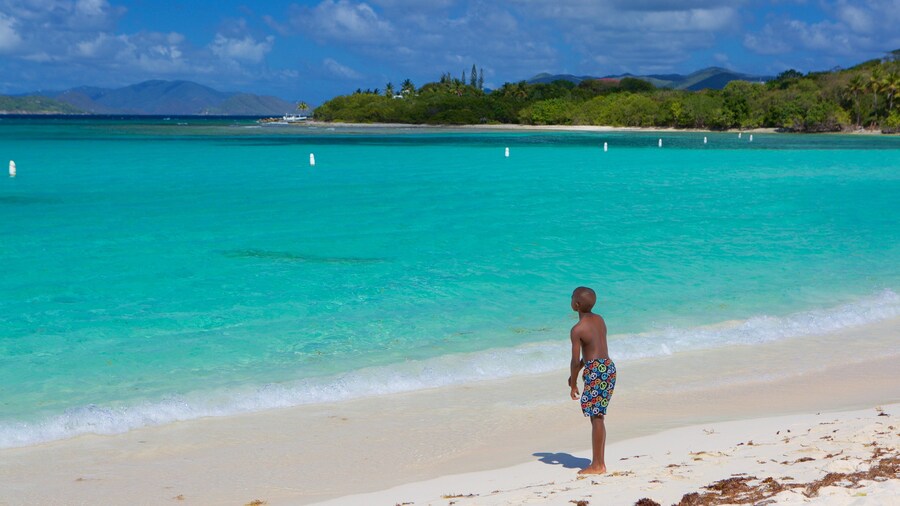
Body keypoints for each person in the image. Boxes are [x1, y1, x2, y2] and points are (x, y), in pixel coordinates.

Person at [567, 286, 616, 474]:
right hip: (608, 367)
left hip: (595, 371)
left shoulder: (577, 329)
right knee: (598, 416)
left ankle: (598, 465)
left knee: (597, 418)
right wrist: (577, 372)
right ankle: (599, 462)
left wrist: (573, 383)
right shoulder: (600, 320)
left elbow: (575, 361)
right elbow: (592, 352)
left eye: (572, 297)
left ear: (577, 305)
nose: (571, 299)